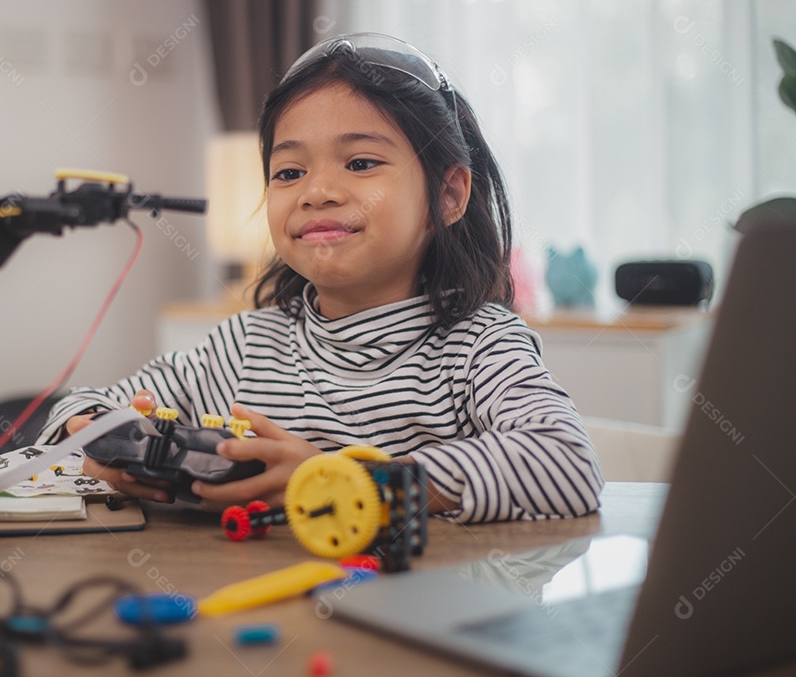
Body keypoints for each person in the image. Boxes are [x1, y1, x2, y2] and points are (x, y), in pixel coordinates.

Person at [37, 33, 604, 523]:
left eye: (360, 163)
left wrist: (342, 483)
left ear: (449, 195)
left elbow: (567, 464)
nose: (316, 191)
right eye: (289, 171)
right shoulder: (244, 347)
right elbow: (75, 412)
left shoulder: (478, 346)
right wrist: (102, 446)